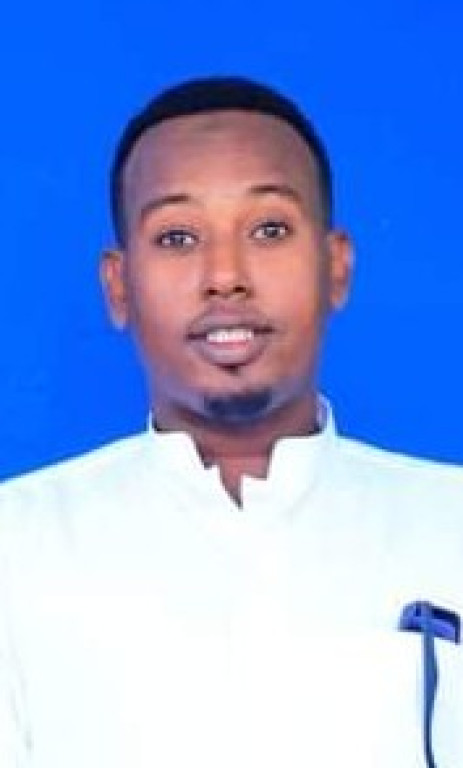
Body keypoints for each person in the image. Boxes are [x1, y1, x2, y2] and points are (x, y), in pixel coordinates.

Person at [0, 76, 462, 768]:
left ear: (335, 267)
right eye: (177, 236)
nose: (224, 275)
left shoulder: (449, 523)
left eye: (269, 230)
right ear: (119, 286)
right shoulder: (16, 547)